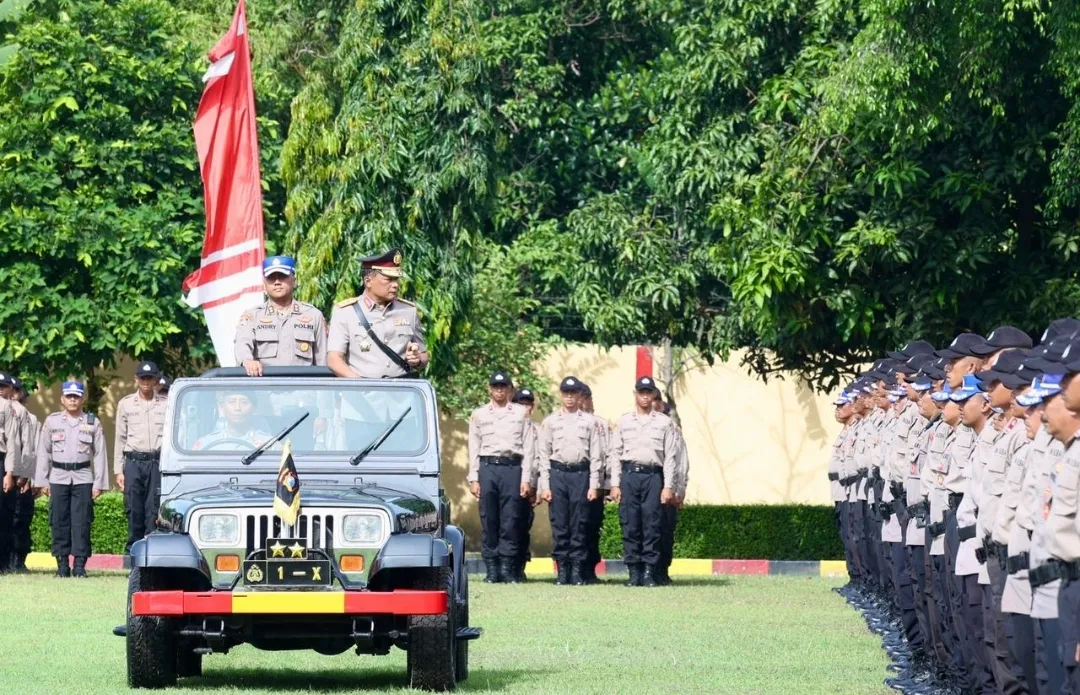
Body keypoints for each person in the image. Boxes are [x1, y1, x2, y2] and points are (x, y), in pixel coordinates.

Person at [608, 376, 678, 588]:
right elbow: (615, 453)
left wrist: (668, 486)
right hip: (629, 476)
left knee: (652, 525)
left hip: (653, 476)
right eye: (642, 392)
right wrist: (615, 483)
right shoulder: (624, 421)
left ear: (654, 395)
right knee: (630, 525)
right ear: (635, 394)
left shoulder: (664, 422)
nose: (645, 396)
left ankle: (648, 571)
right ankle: (634, 571)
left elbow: (670, 457)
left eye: (649, 392)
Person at [34, 381, 108, 578]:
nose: (73, 400)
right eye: (69, 396)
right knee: (58, 521)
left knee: (82, 522)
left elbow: (100, 454)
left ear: (83, 399)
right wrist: (42, 480)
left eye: (76, 396)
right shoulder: (52, 421)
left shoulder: (92, 422)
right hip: (58, 477)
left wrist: (99, 483)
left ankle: (80, 566)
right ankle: (62, 565)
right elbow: (44, 452)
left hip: (83, 477)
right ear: (62, 399)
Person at [467, 371, 535, 584]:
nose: (499, 390)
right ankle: (492, 568)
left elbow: (529, 448)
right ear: (489, 389)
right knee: (489, 519)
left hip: (512, 468)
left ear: (509, 390)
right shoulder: (479, 414)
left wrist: (526, 478)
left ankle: (507, 567)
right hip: (488, 468)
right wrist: (474, 477)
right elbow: (473, 447)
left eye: (503, 387)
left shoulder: (520, 413)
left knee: (511, 519)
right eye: (495, 387)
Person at [538, 376, 603, 586]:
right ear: (561, 395)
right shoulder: (550, 422)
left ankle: (576, 570)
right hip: (558, 474)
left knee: (579, 523)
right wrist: (545, 486)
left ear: (579, 396)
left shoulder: (590, 422)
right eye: (566, 393)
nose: (569, 397)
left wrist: (594, 485)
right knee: (560, 524)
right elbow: (543, 456)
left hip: (580, 474)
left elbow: (596, 456)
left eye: (573, 393)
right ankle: (562, 570)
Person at [327, 248, 428, 379]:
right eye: (389, 279)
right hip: (361, 394)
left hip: (401, 394)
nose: (395, 285)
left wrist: (418, 359)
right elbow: (334, 359)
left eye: (396, 279)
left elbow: (423, 356)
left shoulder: (409, 311)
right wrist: (359, 384)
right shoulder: (345, 312)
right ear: (368, 281)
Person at [234, 256, 328, 375]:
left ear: (294, 281)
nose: (277, 282)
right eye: (271, 278)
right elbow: (242, 344)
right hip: (265, 390)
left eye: (282, 276)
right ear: (264, 284)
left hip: (303, 390)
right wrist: (247, 361)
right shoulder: (253, 316)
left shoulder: (313, 315)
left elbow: (322, 362)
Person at [114, 361, 168, 552]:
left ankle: (151, 551)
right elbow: (120, 438)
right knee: (134, 508)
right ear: (136, 379)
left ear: (155, 380)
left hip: (156, 461)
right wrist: (118, 470)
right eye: (143, 378)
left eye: (150, 378)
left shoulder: (165, 404)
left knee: (153, 508)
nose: (146, 381)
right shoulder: (126, 404)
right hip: (133, 462)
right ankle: (133, 552)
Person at [2, 376, 37, 572]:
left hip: (15, 472)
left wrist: (25, 474)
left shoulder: (25, 415)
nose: (11, 394)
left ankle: (14, 559)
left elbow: (28, 448)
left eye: (15, 391)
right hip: (5, 466)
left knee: (17, 518)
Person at [581, 382, 610, 584]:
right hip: (575, 477)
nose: (581, 401)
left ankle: (589, 568)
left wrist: (606, 485)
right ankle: (575, 568)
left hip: (595, 483)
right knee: (573, 526)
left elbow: (608, 454)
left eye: (584, 397)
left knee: (591, 526)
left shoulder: (600, 424)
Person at [511, 387, 540, 580]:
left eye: (528, 403)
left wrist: (537, 487)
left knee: (524, 526)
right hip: (512, 482)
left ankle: (520, 565)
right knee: (510, 525)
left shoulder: (539, 429)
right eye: (521, 403)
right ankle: (509, 565)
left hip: (531, 486)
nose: (525, 407)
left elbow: (541, 460)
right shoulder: (510, 427)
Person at [0, 371, 25, 573]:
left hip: (1, 460)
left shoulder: (7, 408)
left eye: (3, 386)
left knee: (3, 512)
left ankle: (2, 561)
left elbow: (12, 442)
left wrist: (9, 472)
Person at [192, 391, 273, 451]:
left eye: (244, 402)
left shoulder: (270, 444)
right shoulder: (205, 443)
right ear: (223, 407)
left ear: (254, 408)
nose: (237, 408)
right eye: (232, 402)